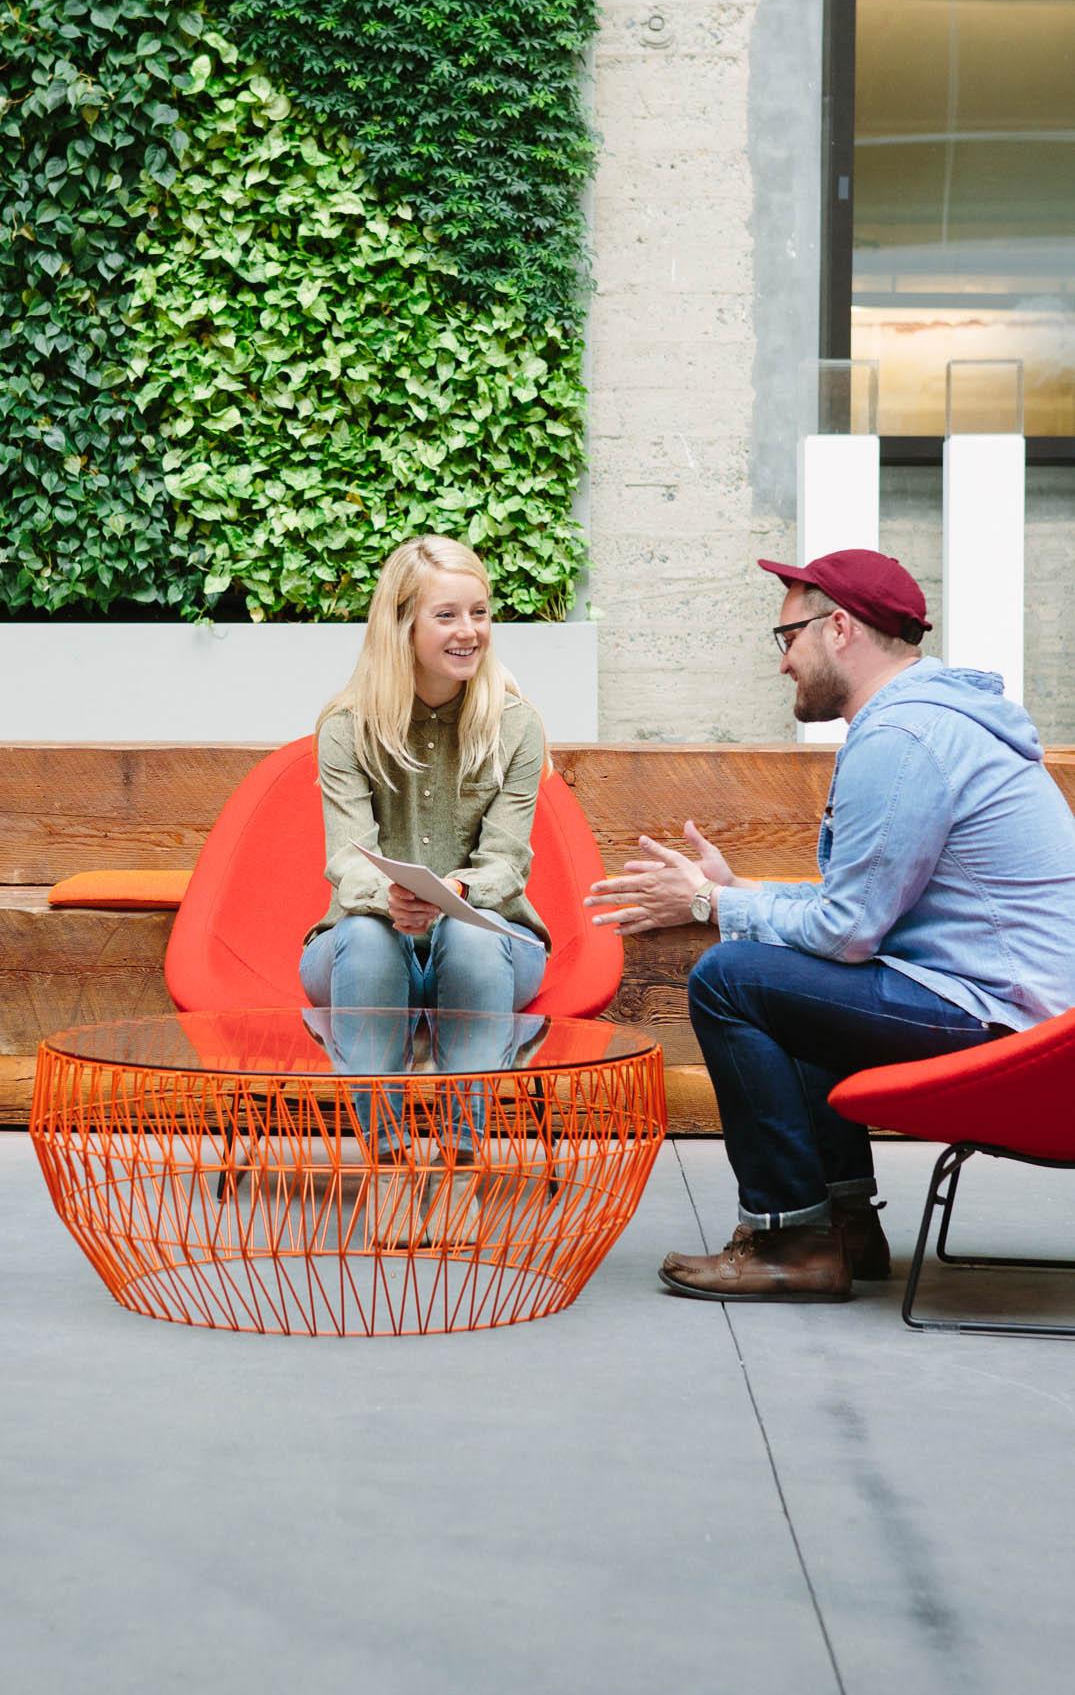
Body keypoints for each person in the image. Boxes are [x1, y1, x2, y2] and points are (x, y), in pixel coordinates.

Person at [587, 549, 1075, 1302]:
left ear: (838, 628)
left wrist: (711, 905)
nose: (782, 663)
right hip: (1024, 1016)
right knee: (796, 983)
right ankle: (844, 1225)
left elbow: (847, 932)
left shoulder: (902, 739)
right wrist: (738, 889)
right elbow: (858, 918)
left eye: (785, 638)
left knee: (729, 979)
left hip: (1016, 1034)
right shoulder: (930, 723)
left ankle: (792, 1237)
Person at [303, 536, 554, 1048]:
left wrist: (455, 897)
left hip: (490, 940)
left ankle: (464, 1133)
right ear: (402, 627)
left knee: (472, 935)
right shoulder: (346, 729)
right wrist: (391, 899)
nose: (469, 631)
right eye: (446, 616)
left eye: (479, 613)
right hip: (365, 942)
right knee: (369, 939)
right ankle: (383, 1133)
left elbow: (505, 865)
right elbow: (349, 863)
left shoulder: (517, 725)